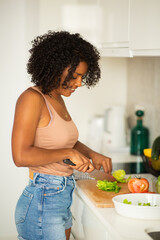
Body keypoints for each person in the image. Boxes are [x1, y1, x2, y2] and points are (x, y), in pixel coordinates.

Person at [11, 31, 112, 240]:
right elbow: (20, 156)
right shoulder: (31, 99)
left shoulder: (56, 98)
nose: (79, 83)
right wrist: (67, 153)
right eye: (75, 76)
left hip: (60, 197)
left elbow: (65, 140)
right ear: (56, 67)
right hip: (42, 201)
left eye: (82, 76)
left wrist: (93, 154)